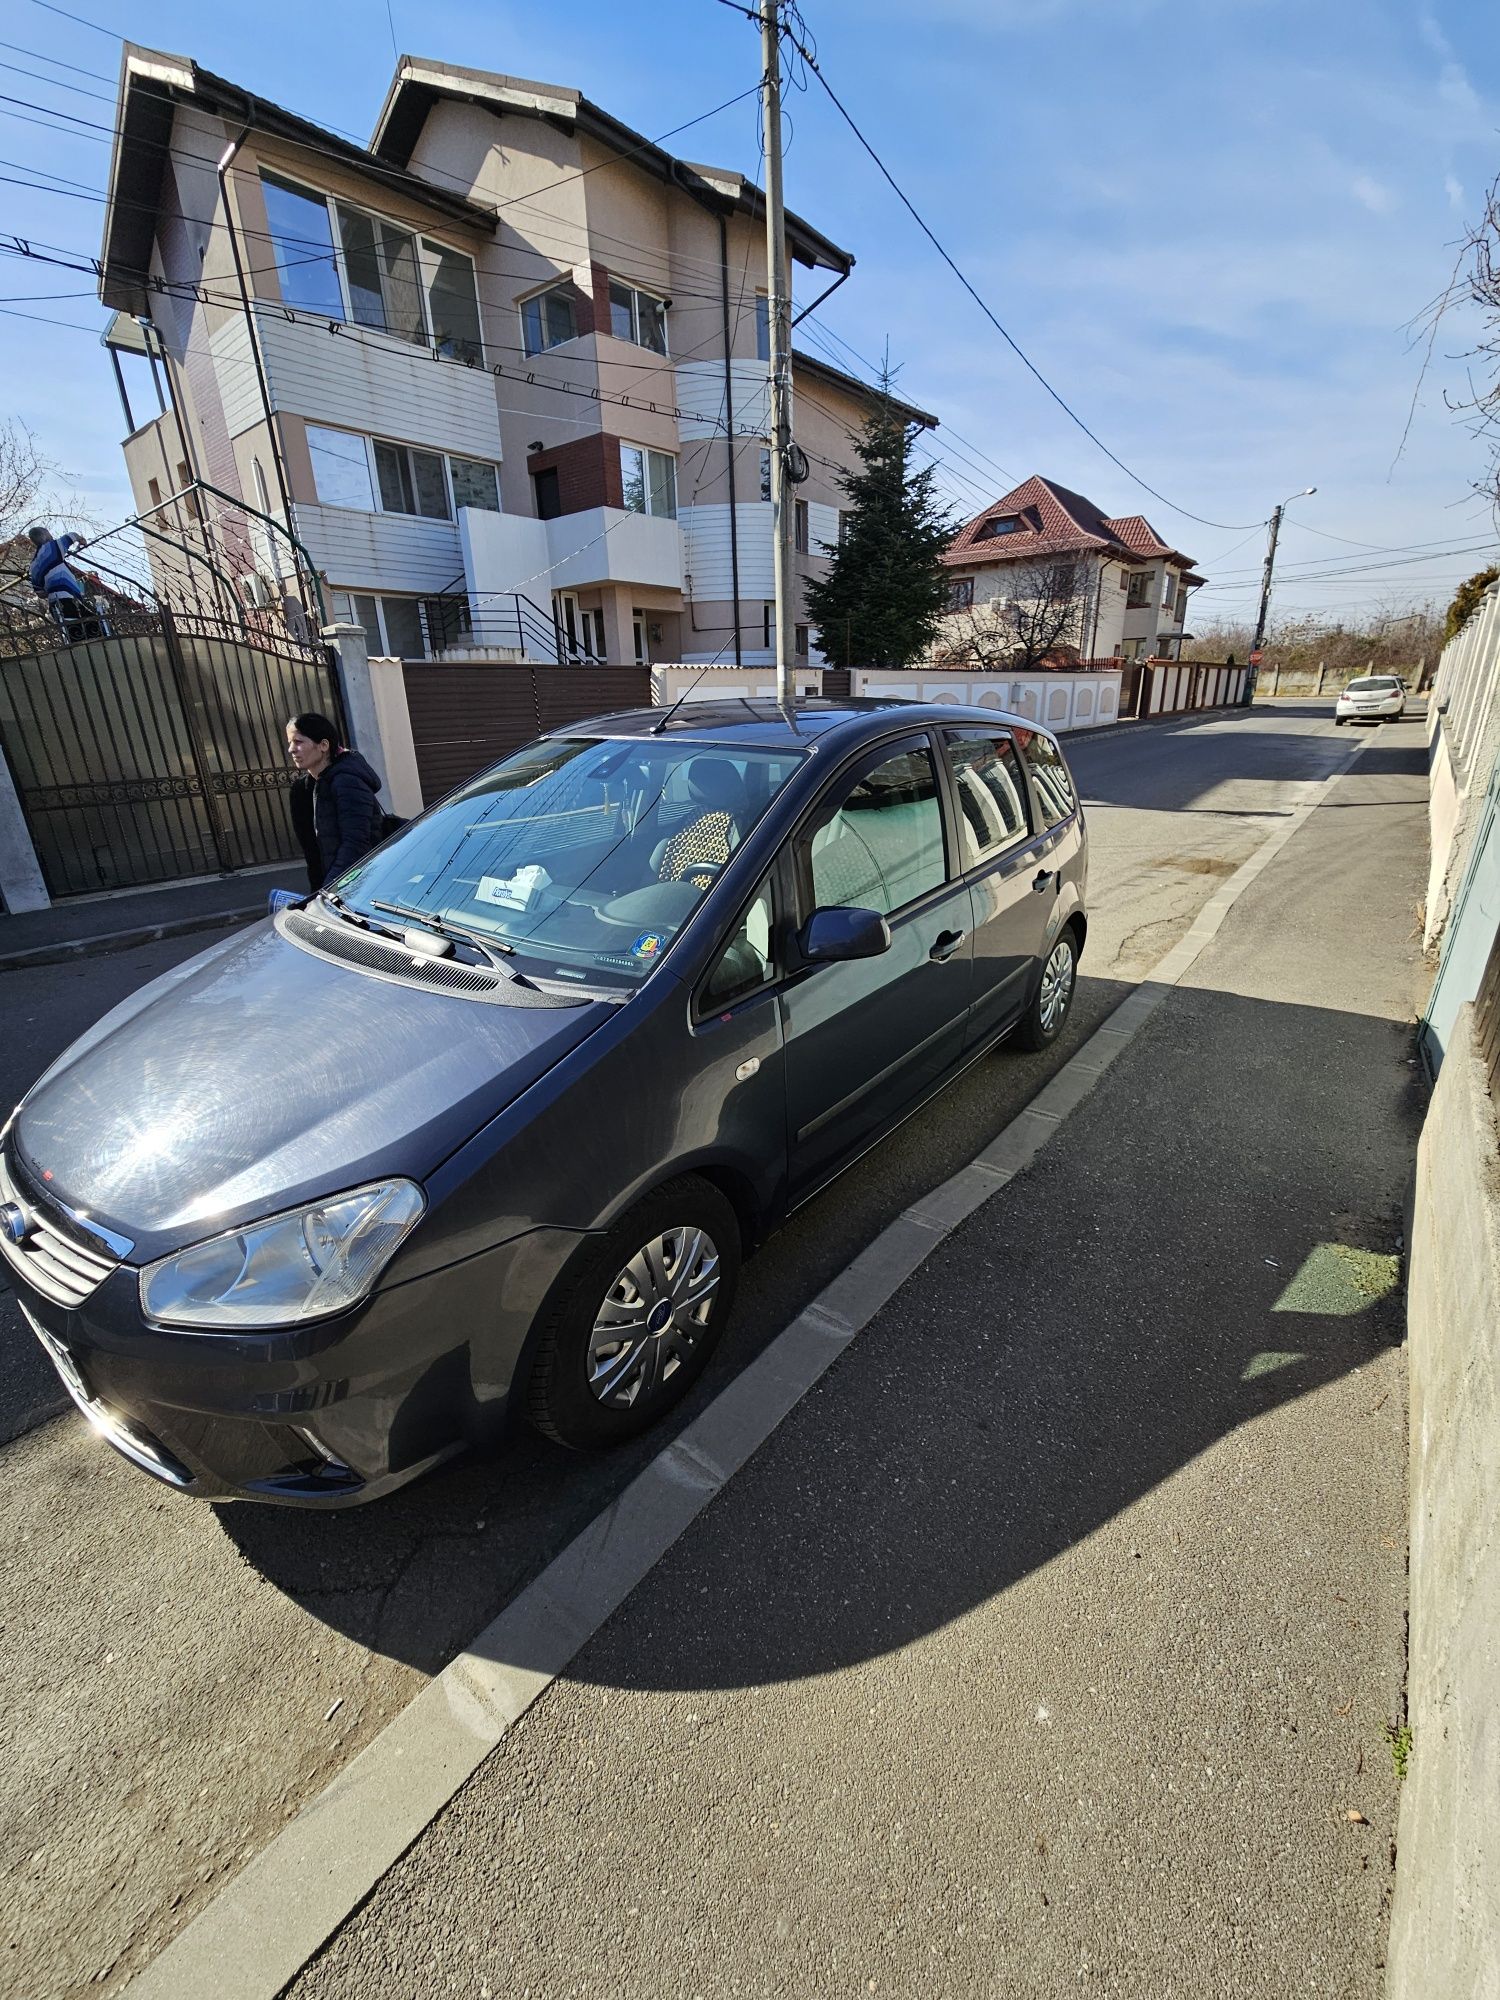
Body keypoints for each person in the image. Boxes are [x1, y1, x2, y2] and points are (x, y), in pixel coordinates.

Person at [285, 711, 385, 893]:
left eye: (298, 742)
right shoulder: (302, 789)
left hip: (354, 888)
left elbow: (356, 845)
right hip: (327, 890)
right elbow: (312, 852)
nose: (292, 749)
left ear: (323, 745)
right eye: (290, 742)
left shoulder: (347, 782)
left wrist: (329, 890)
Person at [26, 523, 96, 640]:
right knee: (94, 628)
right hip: (68, 599)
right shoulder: (51, 548)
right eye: (49, 534)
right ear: (45, 536)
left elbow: (40, 594)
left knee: (74, 635)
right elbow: (71, 536)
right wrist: (81, 540)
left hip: (55, 604)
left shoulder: (33, 566)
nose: (52, 536)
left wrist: (51, 582)